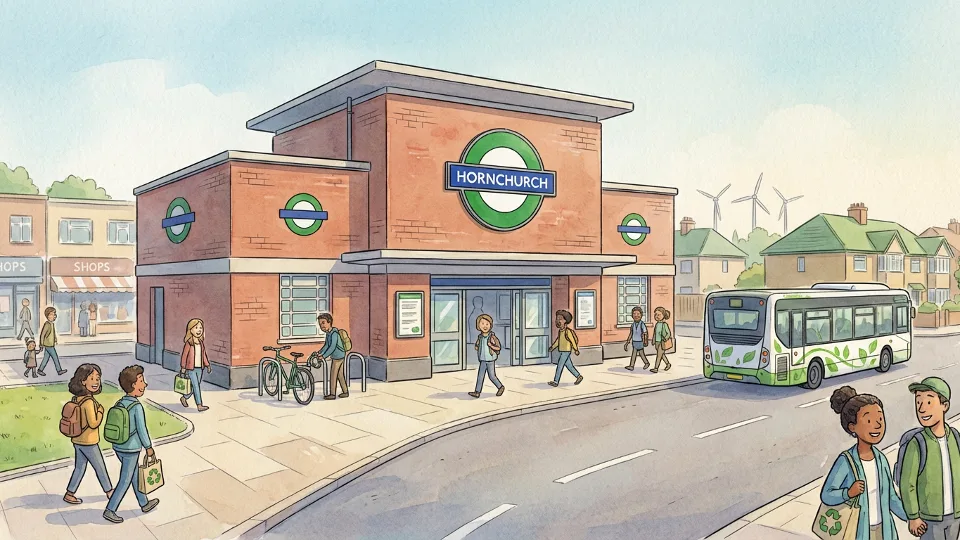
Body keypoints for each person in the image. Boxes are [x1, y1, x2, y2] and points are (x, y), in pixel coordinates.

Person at [821, 385, 909, 539]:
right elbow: (826, 495)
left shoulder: (880, 459)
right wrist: (848, 493)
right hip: (858, 531)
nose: (878, 425)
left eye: (880, 419)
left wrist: (911, 517)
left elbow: (891, 497)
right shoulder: (846, 461)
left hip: (884, 530)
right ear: (852, 427)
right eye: (869, 420)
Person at [900, 377, 960, 539]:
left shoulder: (955, 437)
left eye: (928, 402)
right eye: (918, 402)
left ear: (944, 405)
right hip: (929, 519)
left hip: (955, 515)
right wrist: (913, 516)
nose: (921, 409)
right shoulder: (917, 443)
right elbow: (908, 483)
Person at [104, 365, 159, 524]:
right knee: (125, 479)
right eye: (141, 381)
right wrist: (149, 448)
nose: (145, 384)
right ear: (134, 385)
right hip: (131, 449)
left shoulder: (121, 403)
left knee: (134, 475)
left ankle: (144, 502)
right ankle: (110, 509)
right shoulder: (136, 407)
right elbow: (142, 430)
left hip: (118, 446)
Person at [63, 364, 113, 505]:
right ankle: (110, 491)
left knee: (80, 467)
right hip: (89, 442)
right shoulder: (89, 402)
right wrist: (101, 411)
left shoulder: (77, 399)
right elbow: (93, 423)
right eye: (92, 378)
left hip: (77, 440)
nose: (96, 382)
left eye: (98, 378)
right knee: (100, 467)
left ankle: (70, 493)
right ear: (83, 381)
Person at [468, 314, 505, 398]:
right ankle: (477, 392)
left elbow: (498, 347)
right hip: (482, 359)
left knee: (492, 376)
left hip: (490, 360)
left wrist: (491, 345)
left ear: (490, 325)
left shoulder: (492, 337)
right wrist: (477, 346)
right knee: (480, 376)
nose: (485, 326)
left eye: (487, 324)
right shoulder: (480, 337)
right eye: (482, 324)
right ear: (478, 325)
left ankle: (500, 387)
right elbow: (478, 344)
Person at [179, 318, 211, 412]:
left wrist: (207, 365)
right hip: (191, 369)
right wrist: (183, 367)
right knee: (196, 386)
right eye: (196, 327)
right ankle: (199, 405)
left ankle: (184, 397)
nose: (199, 330)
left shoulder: (201, 343)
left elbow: (203, 355)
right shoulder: (189, 343)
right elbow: (184, 356)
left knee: (193, 387)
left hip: (199, 368)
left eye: (200, 328)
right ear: (191, 330)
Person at [548, 309, 583, 387]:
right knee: (569, 366)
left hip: (566, 351)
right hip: (562, 350)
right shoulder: (561, 331)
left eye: (560, 319)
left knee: (560, 365)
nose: (558, 320)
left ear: (565, 321)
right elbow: (558, 341)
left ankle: (556, 381)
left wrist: (576, 350)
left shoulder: (568, 332)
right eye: (557, 318)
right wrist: (552, 347)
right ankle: (579, 376)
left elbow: (573, 341)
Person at [317, 313, 348, 400]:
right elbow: (326, 345)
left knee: (333, 374)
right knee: (340, 375)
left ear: (329, 322)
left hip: (338, 356)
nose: (321, 326)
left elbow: (332, 346)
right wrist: (320, 353)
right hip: (337, 356)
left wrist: (324, 356)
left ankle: (332, 394)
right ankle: (345, 392)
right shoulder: (328, 333)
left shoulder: (334, 334)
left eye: (323, 323)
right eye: (320, 324)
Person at [38, 307, 67, 376]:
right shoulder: (47, 324)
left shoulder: (52, 324)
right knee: (55, 357)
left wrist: (55, 339)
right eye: (51, 314)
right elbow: (42, 335)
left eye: (54, 314)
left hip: (51, 343)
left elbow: (53, 333)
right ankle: (59, 370)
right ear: (47, 316)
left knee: (46, 358)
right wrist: (41, 344)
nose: (53, 316)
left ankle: (40, 370)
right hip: (48, 344)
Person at [623, 306, 649, 371]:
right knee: (636, 354)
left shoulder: (642, 324)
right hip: (634, 341)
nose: (636, 315)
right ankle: (633, 365)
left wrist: (645, 341)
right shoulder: (633, 325)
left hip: (640, 341)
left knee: (640, 353)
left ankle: (645, 363)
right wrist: (627, 342)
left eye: (638, 314)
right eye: (634, 314)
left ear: (641, 315)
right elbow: (631, 333)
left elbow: (645, 332)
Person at [651, 307, 672, 373]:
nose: (656, 316)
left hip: (662, 342)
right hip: (657, 342)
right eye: (655, 315)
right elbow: (655, 332)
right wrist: (653, 340)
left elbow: (668, 333)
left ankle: (656, 368)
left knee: (659, 355)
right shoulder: (657, 324)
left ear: (663, 315)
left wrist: (665, 338)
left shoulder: (664, 324)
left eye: (658, 315)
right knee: (662, 355)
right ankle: (668, 364)